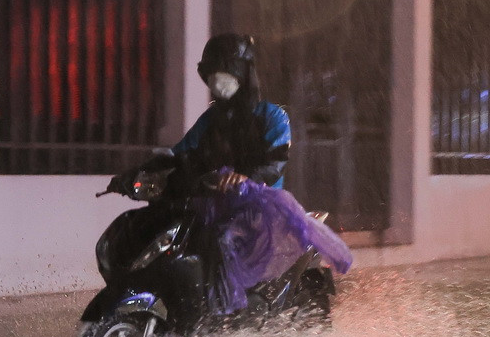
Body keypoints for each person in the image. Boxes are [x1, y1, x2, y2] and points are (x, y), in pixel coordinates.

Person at [109, 33, 351, 314]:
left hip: (257, 207)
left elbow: (274, 163)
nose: (216, 81)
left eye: (222, 73)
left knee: (222, 240)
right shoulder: (211, 120)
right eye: (211, 75)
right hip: (212, 203)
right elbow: (179, 154)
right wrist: (138, 171)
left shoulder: (272, 116)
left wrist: (245, 177)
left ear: (242, 73)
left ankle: (230, 313)